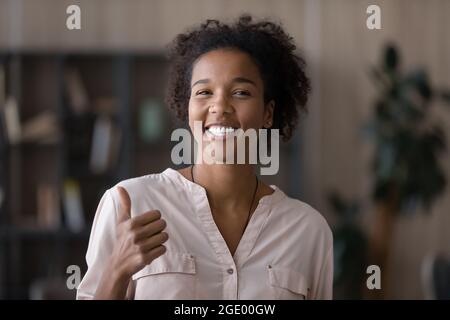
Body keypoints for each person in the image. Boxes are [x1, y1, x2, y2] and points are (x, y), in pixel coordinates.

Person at [76, 15, 333, 300]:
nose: (220, 106)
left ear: (267, 113)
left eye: (241, 92)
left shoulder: (308, 231)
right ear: (188, 109)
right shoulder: (131, 205)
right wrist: (115, 272)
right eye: (204, 92)